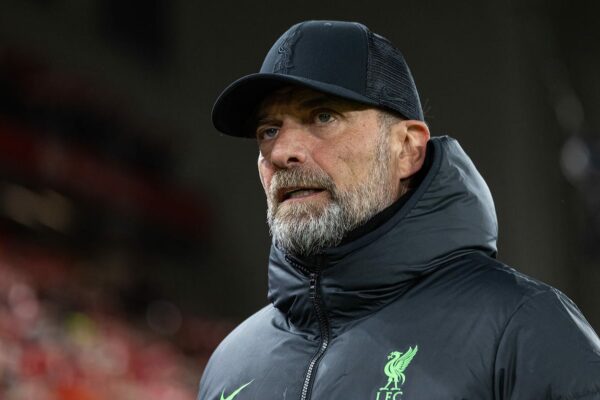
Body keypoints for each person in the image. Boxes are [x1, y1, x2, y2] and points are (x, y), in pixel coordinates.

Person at [198, 20, 600, 400]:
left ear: (407, 148)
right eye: (269, 130)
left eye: (323, 116)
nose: (283, 152)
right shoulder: (229, 366)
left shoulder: (524, 328)